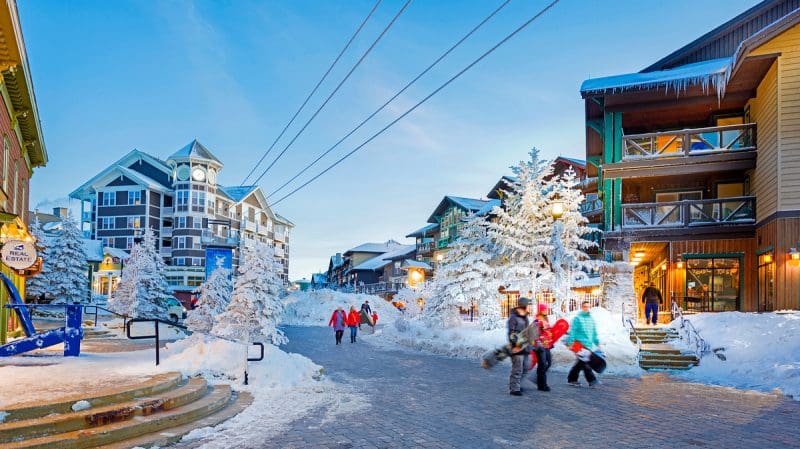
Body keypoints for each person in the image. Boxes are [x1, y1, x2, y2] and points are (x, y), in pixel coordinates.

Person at [566, 301, 600, 387]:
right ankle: (592, 381)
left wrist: (597, 342)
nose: (586, 308)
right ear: (582, 307)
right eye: (585, 306)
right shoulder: (577, 318)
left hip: (589, 345)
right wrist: (570, 343)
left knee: (580, 363)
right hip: (579, 344)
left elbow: (594, 332)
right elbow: (573, 331)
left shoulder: (591, 319)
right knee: (585, 362)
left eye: (588, 307)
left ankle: (572, 379)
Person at [507, 297, 532, 396]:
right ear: (523, 305)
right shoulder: (513, 317)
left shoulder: (525, 317)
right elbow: (511, 333)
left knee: (526, 367)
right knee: (517, 368)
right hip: (517, 346)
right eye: (528, 305)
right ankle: (514, 388)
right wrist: (514, 345)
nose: (529, 307)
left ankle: (517, 384)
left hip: (525, 346)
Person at [532, 307, 553, 392]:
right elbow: (534, 333)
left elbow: (548, 331)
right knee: (543, 365)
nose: (546, 310)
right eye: (544, 309)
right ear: (540, 310)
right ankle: (542, 385)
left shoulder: (545, 319)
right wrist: (538, 343)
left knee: (548, 363)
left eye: (546, 309)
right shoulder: (537, 320)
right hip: (540, 346)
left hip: (547, 345)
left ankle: (538, 380)